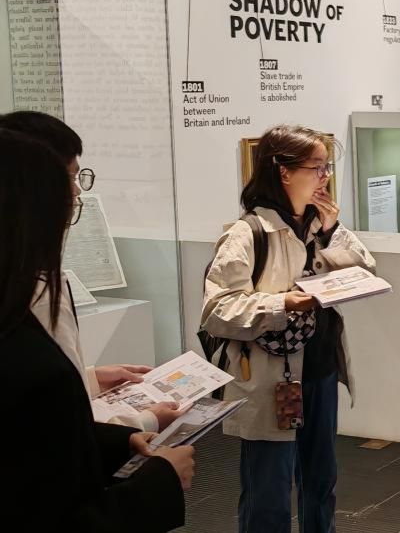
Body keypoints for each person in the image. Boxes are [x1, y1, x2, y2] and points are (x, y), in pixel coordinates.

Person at [0, 129, 192, 532]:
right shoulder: (28, 346)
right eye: (66, 187)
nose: (76, 197)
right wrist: (160, 480)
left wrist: (118, 438)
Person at [202, 124, 376, 533]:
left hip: (320, 367)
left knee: (321, 482)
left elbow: (366, 269)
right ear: (284, 171)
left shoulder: (320, 224)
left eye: (327, 167)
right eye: (317, 167)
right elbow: (217, 310)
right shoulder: (248, 233)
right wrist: (283, 302)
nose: (325, 176)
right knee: (269, 489)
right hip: (270, 377)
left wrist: (332, 232)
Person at [0, 110, 183, 432]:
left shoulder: (26, 280)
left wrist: (88, 378)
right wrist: (143, 422)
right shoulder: (32, 291)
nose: (76, 192)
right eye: (68, 178)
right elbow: (56, 427)